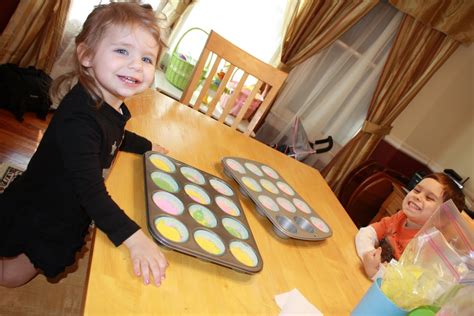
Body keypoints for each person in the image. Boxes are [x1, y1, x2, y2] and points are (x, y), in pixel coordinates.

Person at [0, 3, 169, 288]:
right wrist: (135, 239)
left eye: (147, 58)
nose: (136, 64)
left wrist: (148, 145)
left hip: (66, 206)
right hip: (45, 208)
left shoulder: (109, 103)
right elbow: (92, 193)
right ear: (87, 55)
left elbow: (114, 136)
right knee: (13, 276)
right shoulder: (79, 119)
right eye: (122, 51)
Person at [355, 173, 466, 279]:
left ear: (442, 218)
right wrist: (367, 254)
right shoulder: (401, 216)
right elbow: (367, 232)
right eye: (417, 190)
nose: (417, 196)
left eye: (429, 198)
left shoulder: (427, 246)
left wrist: (376, 271)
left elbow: (404, 286)